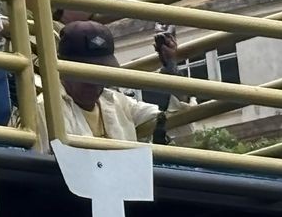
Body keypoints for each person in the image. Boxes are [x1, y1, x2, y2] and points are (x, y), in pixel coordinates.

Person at [42, 20, 183, 142]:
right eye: (85, 72)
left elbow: (178, 119)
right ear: (63, 67)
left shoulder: (118, 103)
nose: (94, 82)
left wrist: (171, 67)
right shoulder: (45, 109)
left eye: (102, 72)